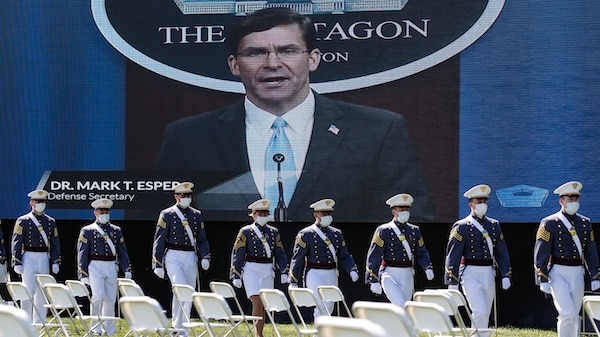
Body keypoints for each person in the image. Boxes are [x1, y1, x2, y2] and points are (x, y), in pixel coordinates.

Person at [153, 7, 432, 223]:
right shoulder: (189, 137)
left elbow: (411, 221)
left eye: (287, 51)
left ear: (313, 59)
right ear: (234, 65)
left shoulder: (377, 131)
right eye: (256, 53)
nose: (273, 64)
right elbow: (157, 225)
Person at [534, 181, 600, 337]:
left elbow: (591, 252)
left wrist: (595, 275)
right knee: (567, 313)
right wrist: (541, 278)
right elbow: (540, 253)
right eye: (570, 199)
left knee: (575, 315)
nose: (573, 202)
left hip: (578, 272)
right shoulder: (549, 223)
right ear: (561, 201)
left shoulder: (585, 223)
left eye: (576, 199)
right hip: (558, 272)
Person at [444, 184, 512, 337]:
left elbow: (501, 252)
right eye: (478, 201)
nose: (482, 204)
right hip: (469, 272)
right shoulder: (461, 227)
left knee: (485, 312)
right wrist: (452, 281)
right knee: (479, 309)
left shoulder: (494, 225)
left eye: (484, 201)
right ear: (471, 204)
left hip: (488, 271)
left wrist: (506, 274)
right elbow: (453, 255)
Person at [152, 182, 211, 336]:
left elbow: (202, 239)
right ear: (176, 196)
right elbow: (159, 240)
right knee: (179, 289)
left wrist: (205, 255)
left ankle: (183, 329)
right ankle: (176, 327)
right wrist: (157, 263)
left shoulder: (196, 214)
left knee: (189, 293)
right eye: (183, 195)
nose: (186, 198)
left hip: (190, 255)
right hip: (173, 255)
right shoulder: (167, 214)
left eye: (188, 195)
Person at [289, 198, 359, 318]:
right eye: (324, 214)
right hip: (314, 273)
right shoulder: (306, 234)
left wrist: (352, 269)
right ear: (316, 215)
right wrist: (293, 280)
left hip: (331, 273)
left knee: (330, 305)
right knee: (322, 304)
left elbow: (344, 255)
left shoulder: (337, 233)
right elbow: (298, 258)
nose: (327, 216)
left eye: (329, 214)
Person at [230, 199, 289, 337]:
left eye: (265, 213)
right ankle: (258, 334)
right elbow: (238, 253)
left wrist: (284, 270)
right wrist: (236, 274)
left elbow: (280, 253)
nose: (263, 216)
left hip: (267, 269)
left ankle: (260, 332)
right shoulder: (246, 231)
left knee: (263, 303)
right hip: (251, 269)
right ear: (254, 215)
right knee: (256, 300)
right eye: (260, 213)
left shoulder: (273, 232)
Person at [365, 193, 434, 306]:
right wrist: (373, 279)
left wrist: (427, 267)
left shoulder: (414, 230)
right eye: (402, 209)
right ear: (394, 212)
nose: (405, 212)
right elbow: (374, 255)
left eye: (407, 209)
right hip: (389, 273)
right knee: (400, 304)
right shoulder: (384, 230)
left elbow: (421, 251)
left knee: (405, 308)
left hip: (407, 273)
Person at [77, 198, 132, 336]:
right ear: (95, 212)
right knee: (98, 296)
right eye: (101, 211)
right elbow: (82, 253)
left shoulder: (116, 230)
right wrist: (82, 273)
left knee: (110, 298)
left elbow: (122, 251)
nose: (104, 213)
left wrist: (127, 269)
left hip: (111, 265)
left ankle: (109, 329)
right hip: (94, 265)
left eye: (106, 211)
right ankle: (95, 328)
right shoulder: (87, 230)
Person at [11, 189, 61, 324]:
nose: (41, 204)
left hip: (44, 256)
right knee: (28, 290)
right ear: (32, 202)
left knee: (42, 291)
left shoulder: (50, 221)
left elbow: (55, 243)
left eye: (43, 202)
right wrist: (17, 261)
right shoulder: (23, 220)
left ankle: (39, 321)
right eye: (38, 202)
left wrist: (55, 261)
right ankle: (25, 320)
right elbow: (16, 241)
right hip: (28, 257)